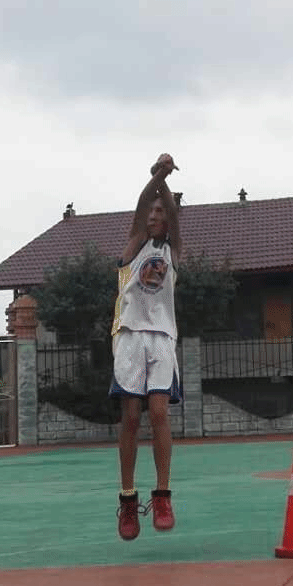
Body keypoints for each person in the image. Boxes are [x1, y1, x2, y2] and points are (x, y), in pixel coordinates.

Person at [110, 152, 182, 541]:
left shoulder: (173, 250)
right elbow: (141, 205)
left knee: (158, 412)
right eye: (151, 212)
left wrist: (164, 179)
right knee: (131, 417)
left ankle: (163, 496)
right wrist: (158, 175)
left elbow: (171, 210)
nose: (153, 216)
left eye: (160, 212)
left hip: (162, 336)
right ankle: (127, 499)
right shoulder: (136, 244)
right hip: (130, 334)